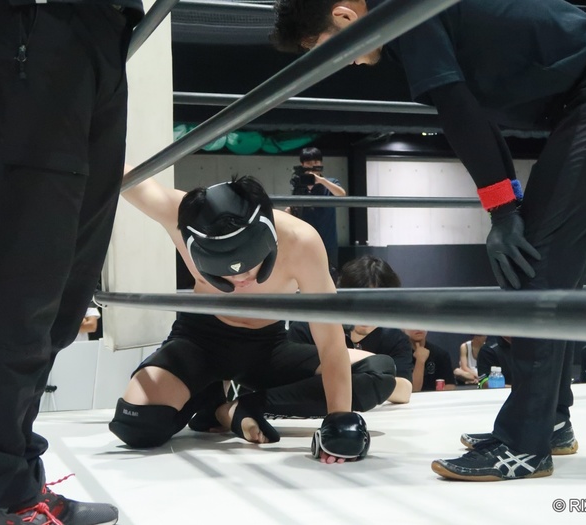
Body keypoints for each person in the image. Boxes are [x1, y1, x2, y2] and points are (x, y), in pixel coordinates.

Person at [271, 0, 586, 480]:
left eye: (328, 49)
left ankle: (525, 444)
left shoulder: (405, 13)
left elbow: (457, 110)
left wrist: (504, 210)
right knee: (547, 264)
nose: (341, 63)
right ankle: (549, 421)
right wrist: (506, 205)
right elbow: (472, 112)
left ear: (345, 17)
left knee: (536, 265)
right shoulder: (407, 19)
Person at [0, 2, 142, 523]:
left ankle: (10, 477)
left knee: (60, 294)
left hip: (99, 31)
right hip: (31, 25)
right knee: (16, 288)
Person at [109, 173, 394, 464]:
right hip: (199, 342)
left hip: (268, 347)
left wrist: (338, 423)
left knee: (378, 373)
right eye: (225, 273)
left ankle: (238, 408)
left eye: (250, 267)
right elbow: (118, 171)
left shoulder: (300, 241)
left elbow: (330, 342)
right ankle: (209, 396)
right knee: (136, 424)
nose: (241, 279)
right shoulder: (180, 214)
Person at [288, 255, 413, 403]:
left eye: (377, 305)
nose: (367, 314)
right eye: (359, 303)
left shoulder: (395, 338)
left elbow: (405, 391)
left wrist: (365, 380)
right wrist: (372, 377)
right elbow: (290, 381)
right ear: (343, 298)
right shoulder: (306, 329)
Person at [288, 147, 346, 273]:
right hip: (304, 241)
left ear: (321, 163)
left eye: (316, 162)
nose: (312, 166)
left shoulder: (330, 183)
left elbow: (342, 194)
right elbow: (294, 207)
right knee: (304, 274)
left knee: (329, 274)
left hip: (327, 241)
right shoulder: (298, 185)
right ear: (302, 165)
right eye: (308, 163)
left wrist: (321, 181)